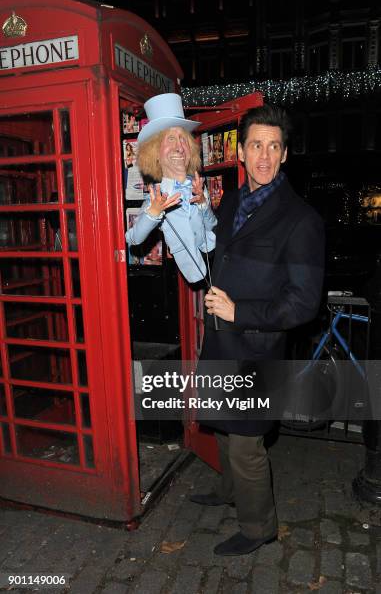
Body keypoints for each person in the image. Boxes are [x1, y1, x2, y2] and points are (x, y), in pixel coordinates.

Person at [190, 104, 325, 556]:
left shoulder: (302, 219)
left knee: (247, 443)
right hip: (222, 341)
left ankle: (258, 527)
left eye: (273, 146)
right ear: (241, 153)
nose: (264, 156)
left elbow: (303, 303)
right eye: (255, 145)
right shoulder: (229, 201)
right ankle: (229, 491)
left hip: (258, 347)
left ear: (285, 154)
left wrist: (238, 311)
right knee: (225, 429)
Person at [125, 93, 216, 283]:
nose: (179, 147)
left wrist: (203, 203)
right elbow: (133, 239)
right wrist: (154, 212)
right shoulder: (157, 195)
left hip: (216, 256)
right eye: (170, 139)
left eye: (183, 139)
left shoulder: (198, 185)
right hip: (187, 269)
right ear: (156, 153)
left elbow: (212, 226)